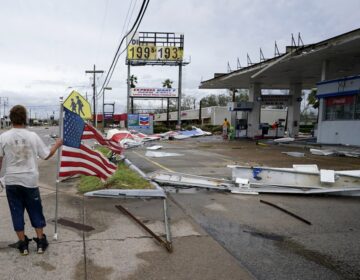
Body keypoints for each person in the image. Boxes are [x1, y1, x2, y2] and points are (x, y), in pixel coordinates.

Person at [0, 105, 63, 255]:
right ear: (25, 118)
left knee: (16, 212)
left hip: (12, 181)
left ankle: (23, 245)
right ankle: (40, 242)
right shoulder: (32, 136)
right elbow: (46, 155)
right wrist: (57, 145)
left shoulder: (3, 137)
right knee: (35, 210)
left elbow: (0, 161)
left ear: (11, 118)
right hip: (30, 180)